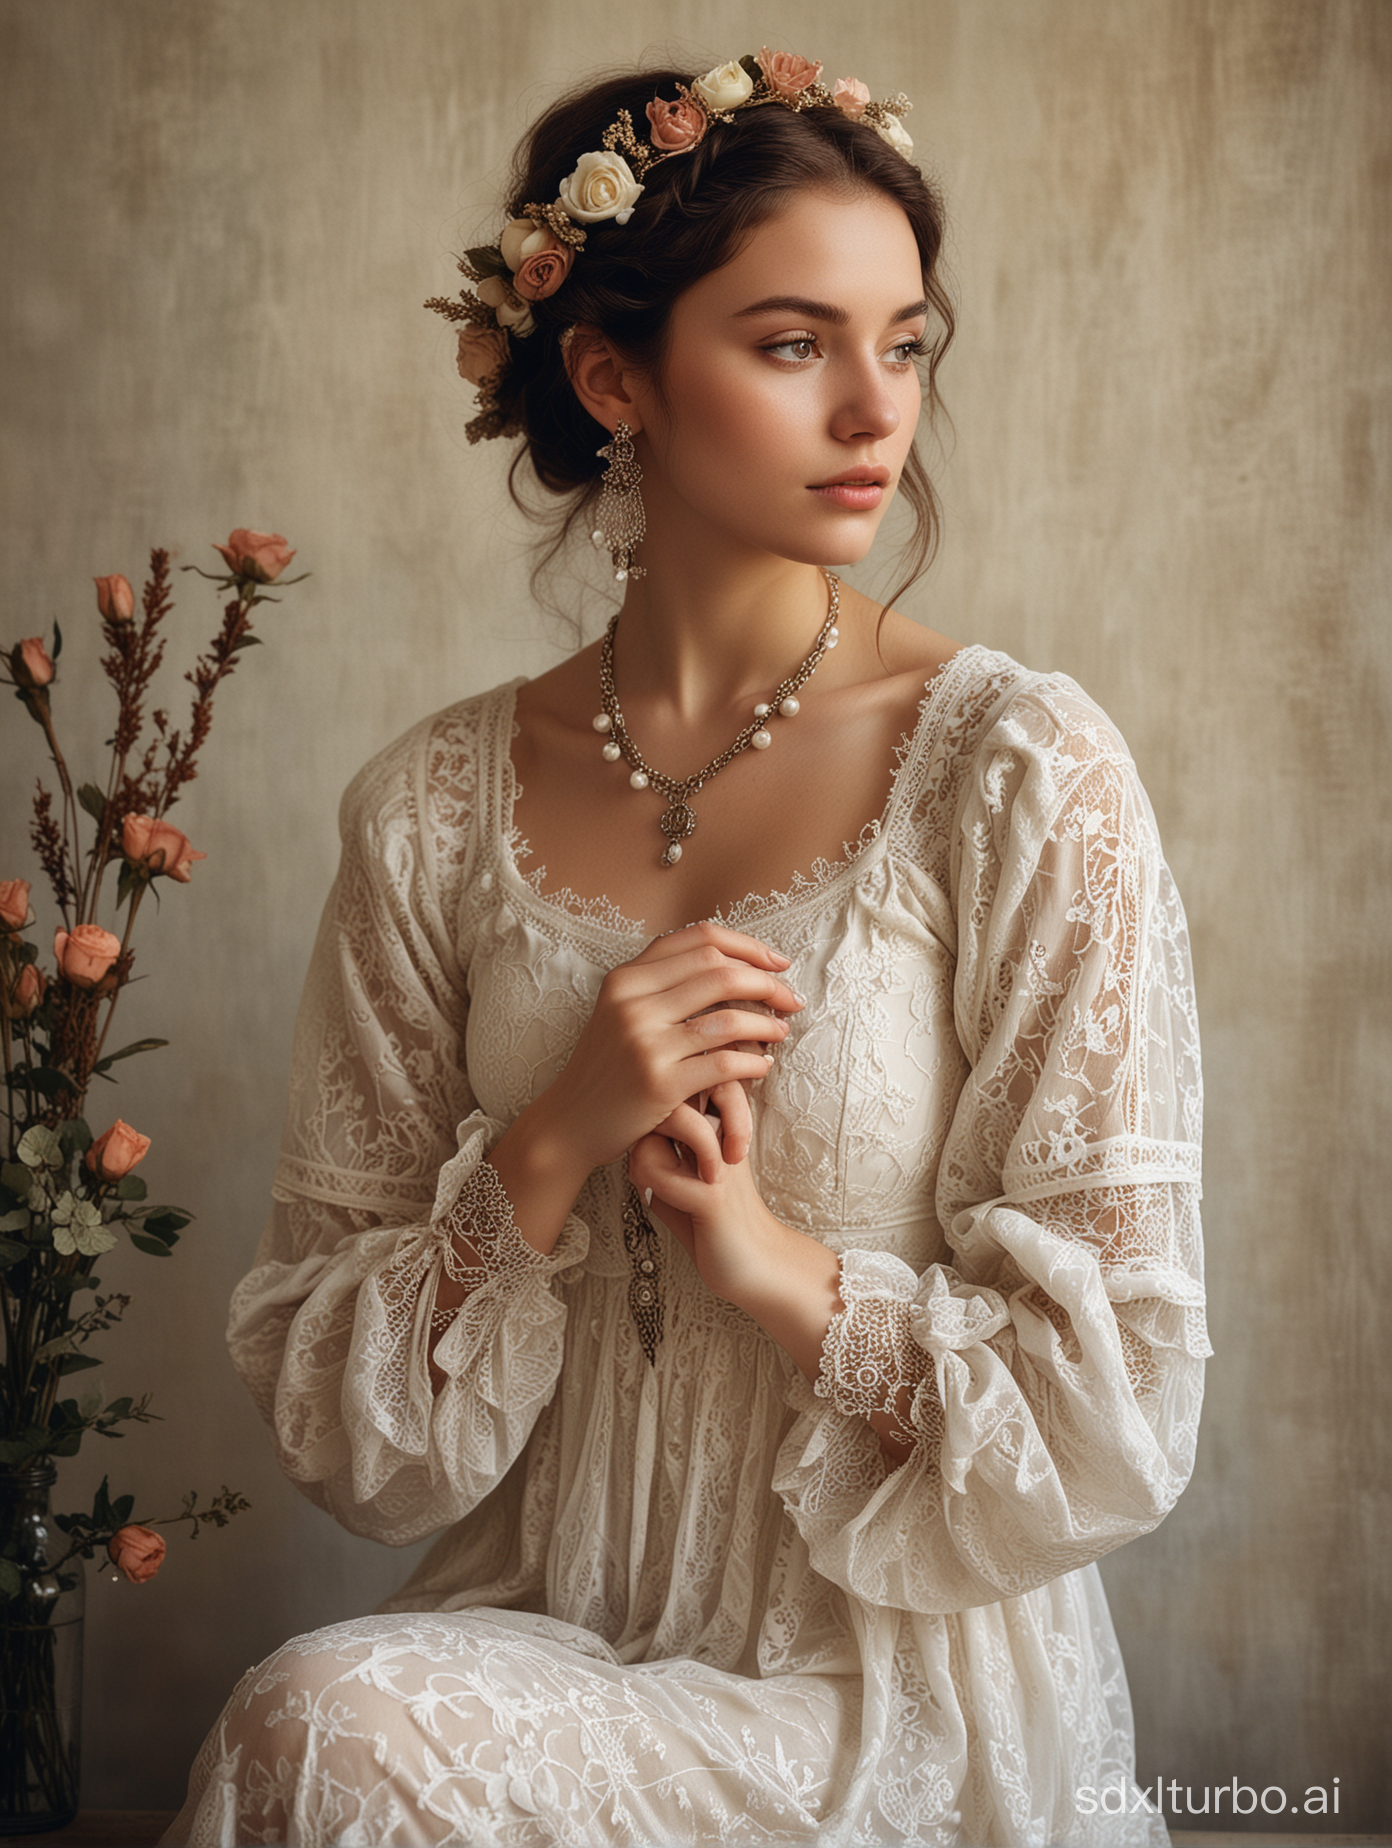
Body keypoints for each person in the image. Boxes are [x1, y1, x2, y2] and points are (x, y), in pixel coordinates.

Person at [167, 49, 1208, 1848]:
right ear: (609, 374)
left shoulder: (1020, 770)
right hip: (540, 1632)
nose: (876, 411)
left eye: (906, 341)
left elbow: (1116, 1405)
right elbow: (345, 1437)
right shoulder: (427, 809)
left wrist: (761, 1259)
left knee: (318, 1731)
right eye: (795, 343)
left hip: (885, 1687)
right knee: (324, 1731)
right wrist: (553, 1140)